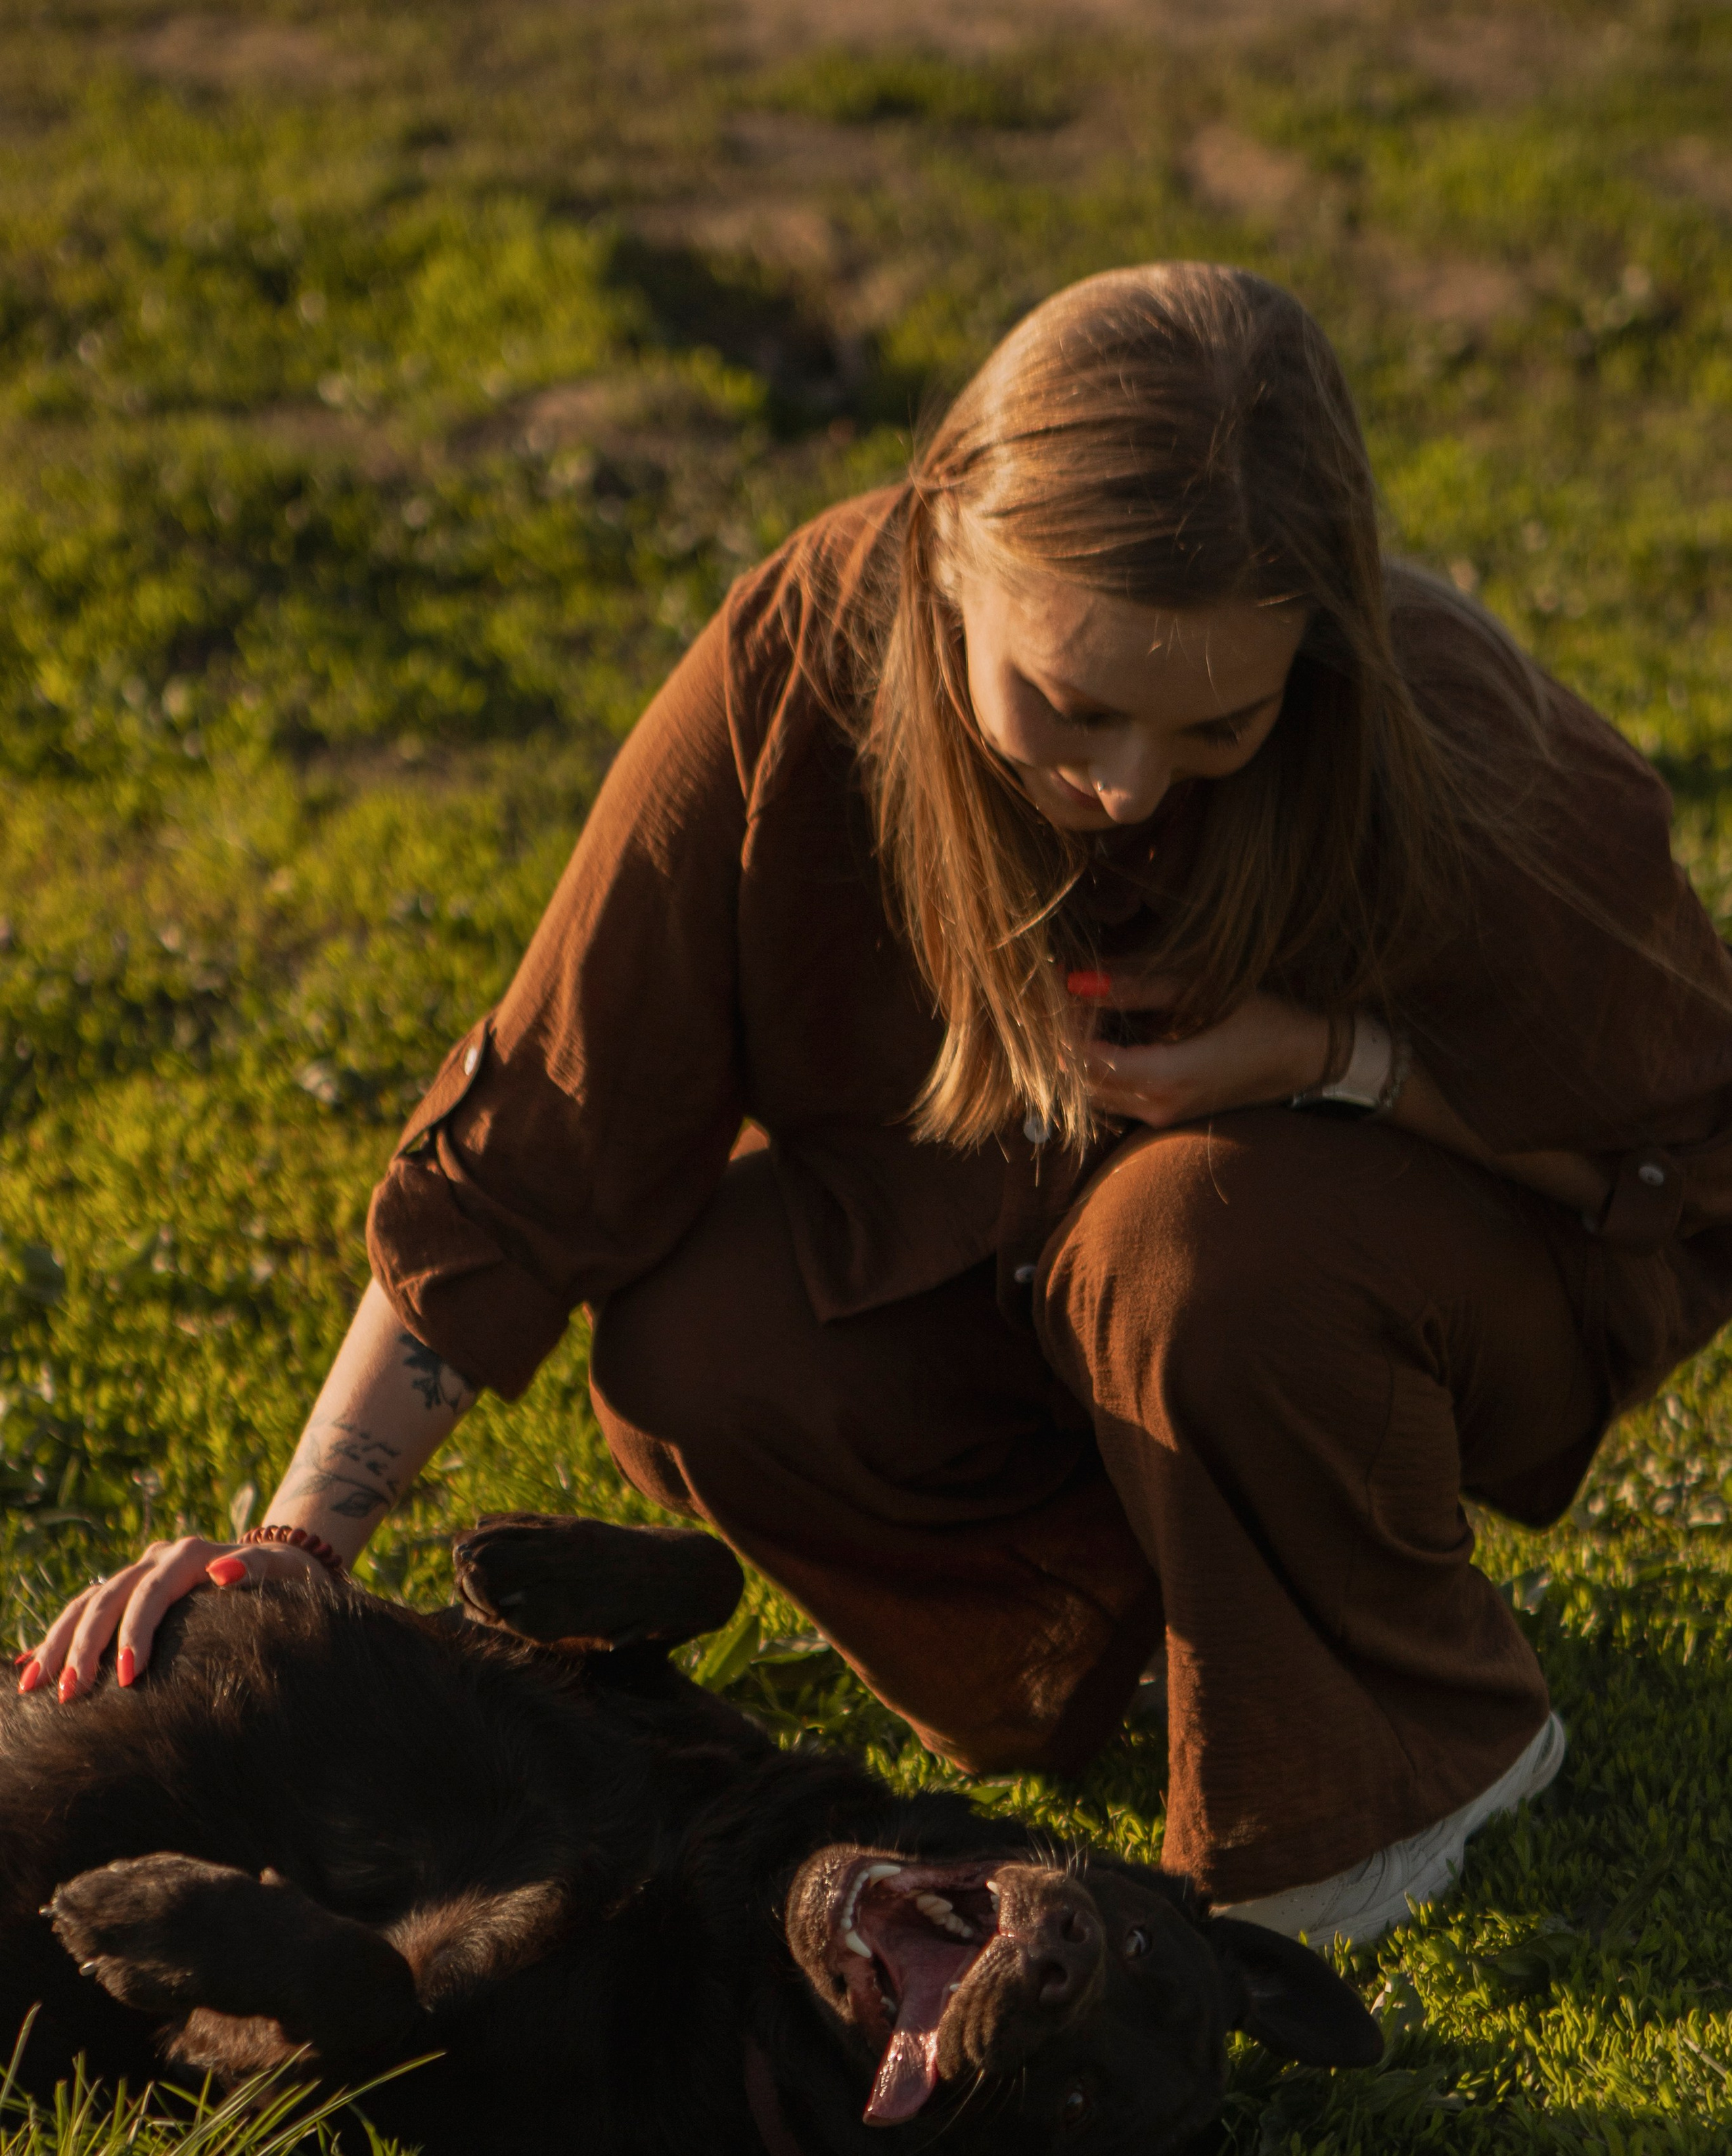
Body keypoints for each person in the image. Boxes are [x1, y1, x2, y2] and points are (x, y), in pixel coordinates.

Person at [26, 263, 1732, 1945]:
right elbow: (547, 1129)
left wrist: (1327, 1066)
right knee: (701, 1335)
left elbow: (1681, 1144)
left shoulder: (1446, 736)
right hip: (1026, 1286)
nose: (1125, 781)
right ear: (945, 563)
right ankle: (1125, 1643)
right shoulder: (809, 650)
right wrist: (296, 1557)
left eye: (1218, 723)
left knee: (1186, 1244)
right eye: (1066, 705)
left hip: (1378, 1286)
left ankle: (1429, 1738)